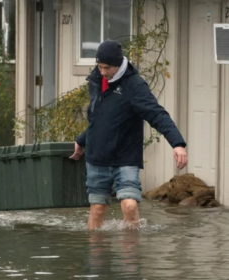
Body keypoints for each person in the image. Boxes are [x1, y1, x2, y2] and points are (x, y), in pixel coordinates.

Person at [69, 40, 188, 230]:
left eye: (106, 68)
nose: (102, 72)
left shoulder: (134, 85)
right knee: (97, 209)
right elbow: (100, 118)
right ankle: (97, 257)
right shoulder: (96, 80)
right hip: (98, 155)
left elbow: (157, 114)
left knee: (129, 205)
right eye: (99, 67)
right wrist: (82, 141)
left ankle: (130, 258)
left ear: (118, 64)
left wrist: (177, 143)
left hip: (125, 156)